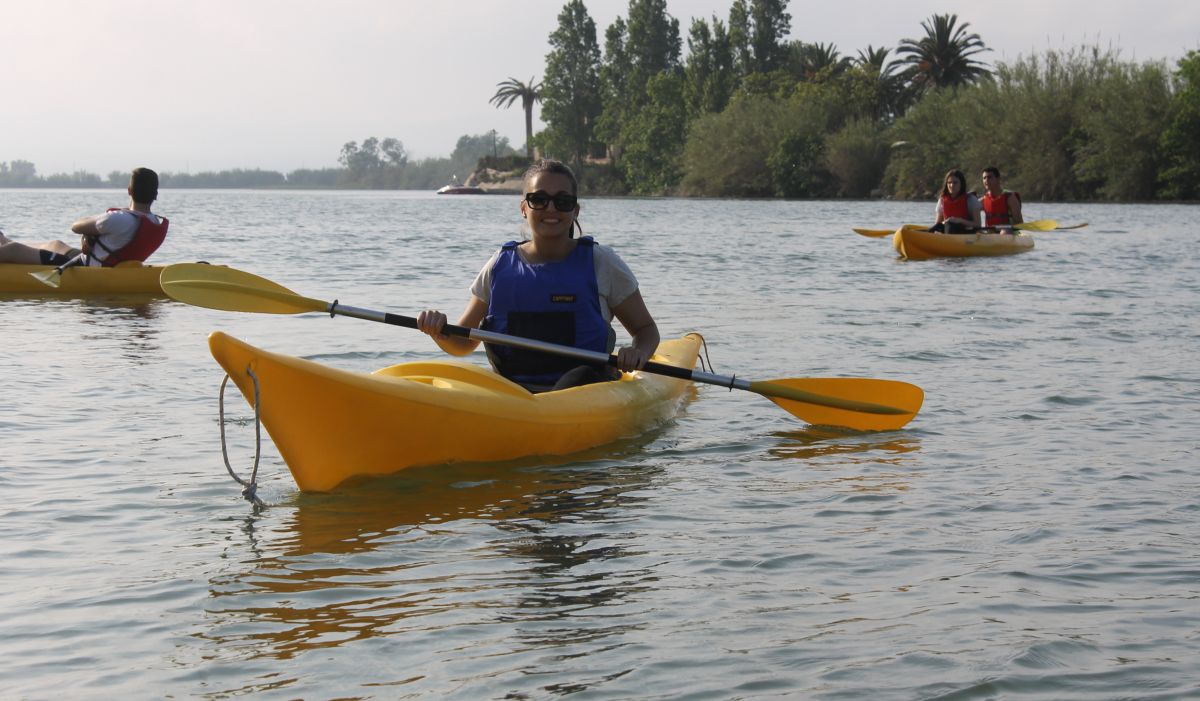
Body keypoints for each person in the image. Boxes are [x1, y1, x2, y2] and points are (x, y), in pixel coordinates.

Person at [417, 159, 660, 392]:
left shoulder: (603, 263)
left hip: (584, 390)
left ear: (575, 211)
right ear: (524, 208)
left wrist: (637, 352)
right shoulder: (498, 265)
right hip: (512, 393)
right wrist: (438, 330)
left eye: (562, 201)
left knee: (580, 376)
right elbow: (463, 343)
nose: (551, 208)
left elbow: (646, 330)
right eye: (539, 199)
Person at [0, 167, 168, 267]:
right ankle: (3, 240)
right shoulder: (154, 222)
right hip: (100, 262)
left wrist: (89, 233)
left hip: (85, 267)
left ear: (129, 191)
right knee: (55, 244)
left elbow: (76, 226)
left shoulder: (117, 218)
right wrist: (91, 235)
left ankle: (7, 246)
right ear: (155, 194)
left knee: (14, 249)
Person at [929, 169, 981, 233]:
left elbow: (978, 225)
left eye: (955, 182)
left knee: (952, 226)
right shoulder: (942, 200)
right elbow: (938, 224)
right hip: (948, 231)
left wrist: (960, 220)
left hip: (966, 233)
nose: (952, 185)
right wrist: (947, 221)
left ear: (961, 184)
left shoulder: (971, 199)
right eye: (949, 183)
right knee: (939, 226)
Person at [980, 166, 1023, 232]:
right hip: (991, 235)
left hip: (1009, 233)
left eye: (989, 177)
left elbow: (1020, 224)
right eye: (984, 178)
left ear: (998, 179)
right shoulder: (983, 200)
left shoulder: (1010, 197)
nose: (986, 180)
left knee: (1004, 232)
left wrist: (1001, 228)